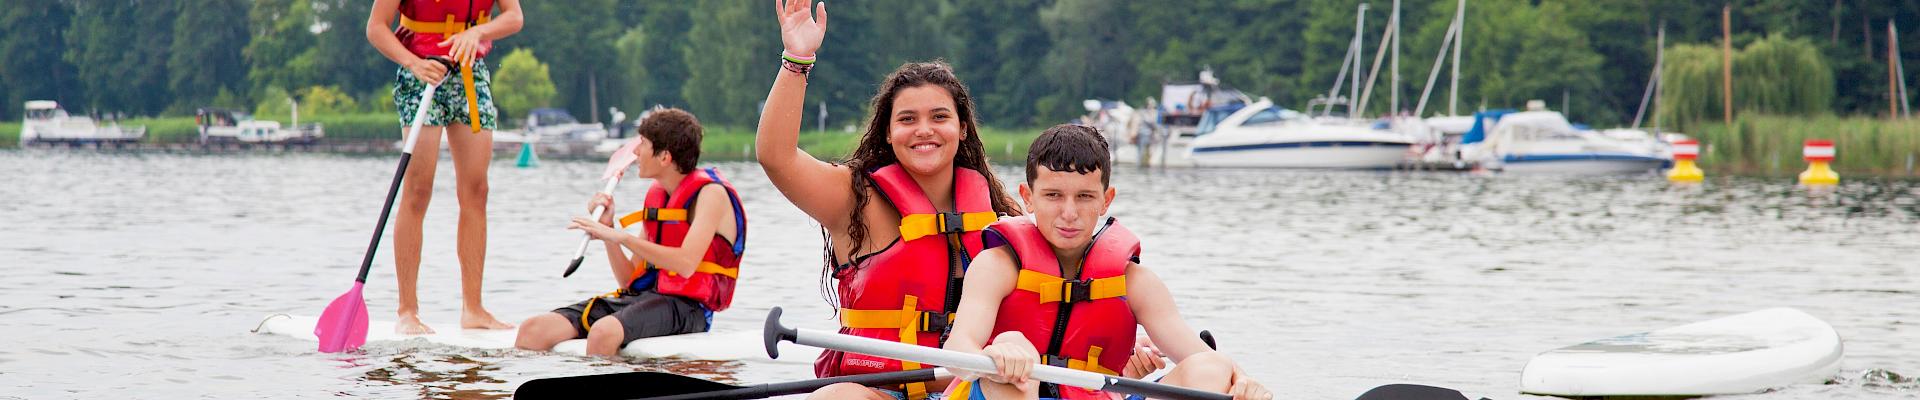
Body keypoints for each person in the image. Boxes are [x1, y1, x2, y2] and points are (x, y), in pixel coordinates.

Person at [756, 1, 1027, 398]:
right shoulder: (854, 198)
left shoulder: (1000, 215)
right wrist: (797, 59)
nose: (924, 131)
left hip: (966, 389)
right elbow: (776, 157)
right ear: (887, 132)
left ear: (963, 128)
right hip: (879, 391)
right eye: (907, 119)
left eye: (939, 117)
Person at [941, 125, 1273, 400]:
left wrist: (1240, 379)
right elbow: (959, 345)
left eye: (1084, 197)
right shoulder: (997, 265)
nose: (1069, 214)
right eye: (1053, 196)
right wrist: (998, 353)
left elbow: (1204, 358)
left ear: (1105, 200)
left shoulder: (1135, 281)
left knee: (1210, 369)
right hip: (1004, 389)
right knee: (1012, 364)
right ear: (1028, 198)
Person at [514, 109, 748, 357]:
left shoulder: (711, 195)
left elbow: (686, 264)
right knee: (533, 330)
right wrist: (609, 230)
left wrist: (621, 237)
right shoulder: (659, 199)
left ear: (664, 157)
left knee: (604, 332)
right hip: (646, 298)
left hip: (689, 309)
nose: (635, 153)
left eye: (643, 145)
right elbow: (628, 281)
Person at [365, 0, 523, 334]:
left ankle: (474, 309)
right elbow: (376, 27)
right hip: (421, 72)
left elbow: (514, 17)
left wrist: (479, 31)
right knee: (418, 190)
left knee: (477, 190)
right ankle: (407, 311)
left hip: (470, 73)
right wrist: (412, 64)